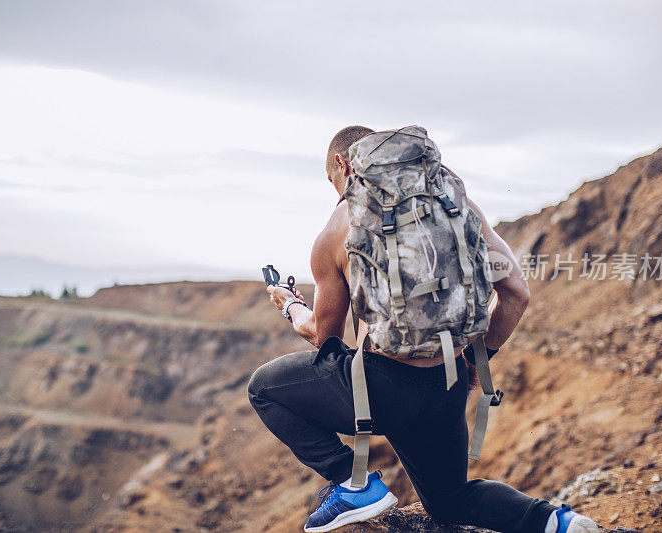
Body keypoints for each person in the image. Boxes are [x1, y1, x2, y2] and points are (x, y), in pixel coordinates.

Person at [248, 126, 598, 533]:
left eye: (332, 181)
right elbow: (517, 294)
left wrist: (291, 305)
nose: (336, 191)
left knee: (263, 388)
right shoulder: (455, 203)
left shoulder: (338, 228)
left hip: (380, 391)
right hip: (446, 383)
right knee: (451, 501)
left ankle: (353, 482)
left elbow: (326, 341)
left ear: (342, 164)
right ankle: (558, 522)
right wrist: (473, 360)